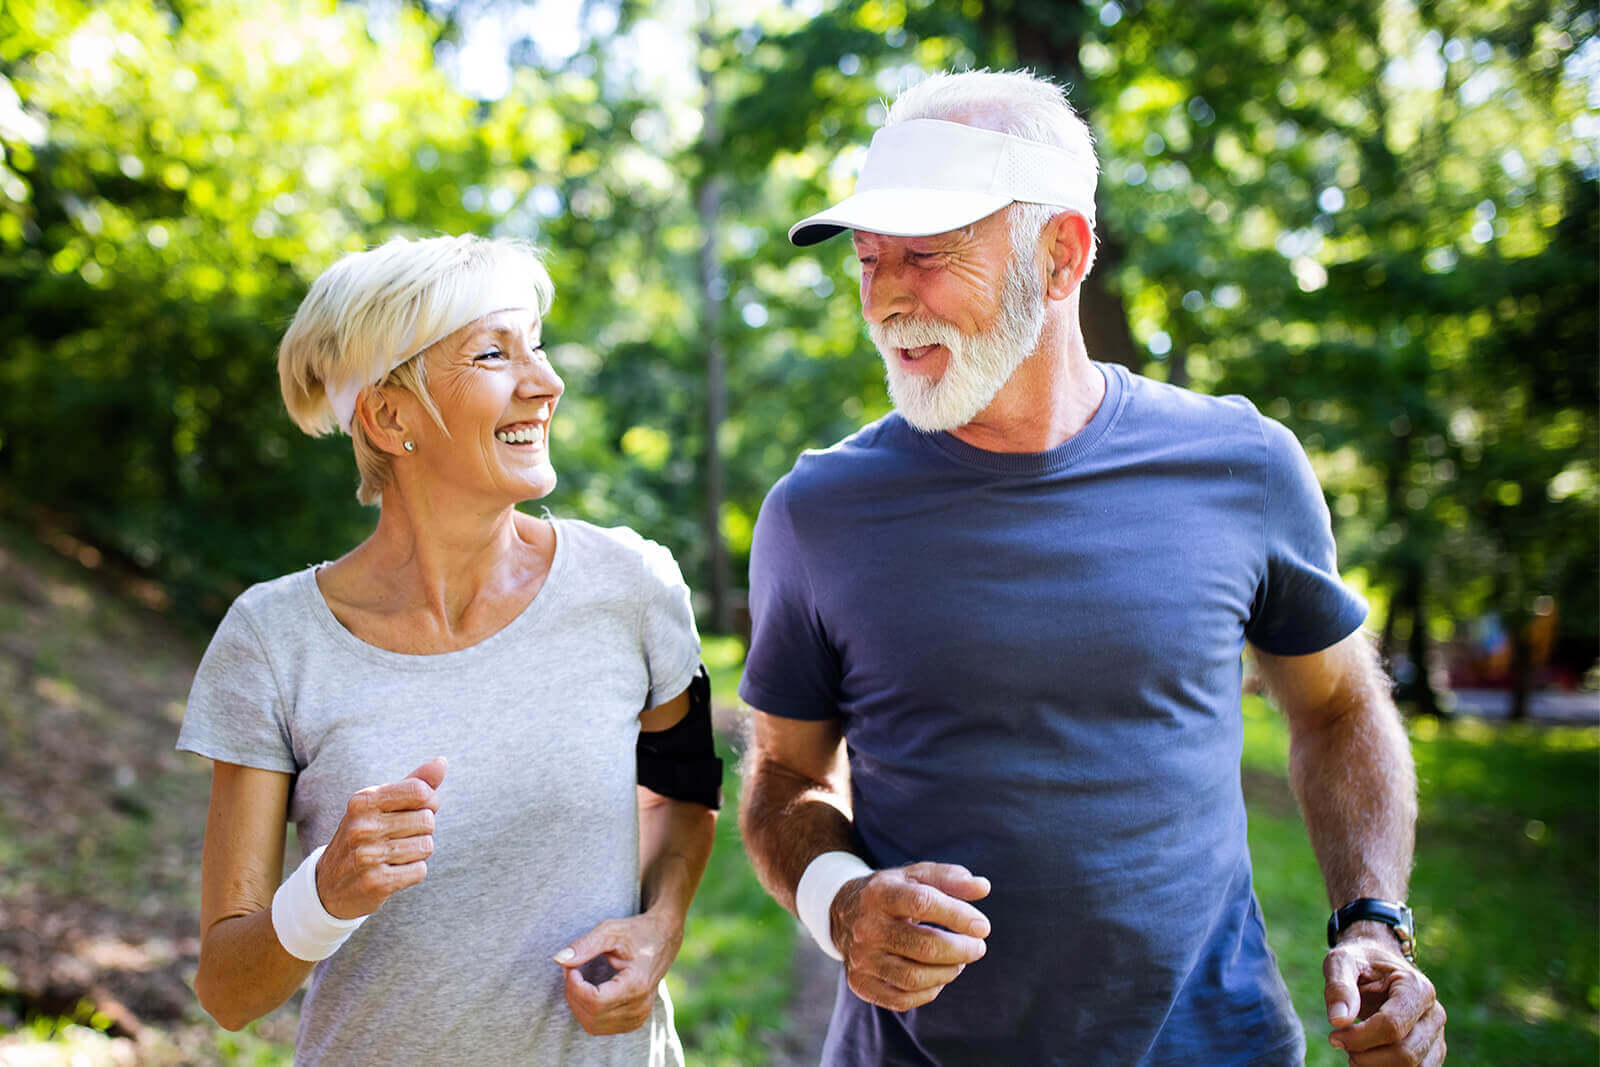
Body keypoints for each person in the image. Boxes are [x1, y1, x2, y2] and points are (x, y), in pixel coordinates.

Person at [737, 70, 1446, 1066]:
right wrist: (837, 898)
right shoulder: (817, 511)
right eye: (867, 258)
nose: (888, 295)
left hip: (1214, 1045)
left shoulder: (1242, 466)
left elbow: (1336, 709)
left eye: (927, 255)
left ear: (1061, 254)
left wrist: (1372, 921)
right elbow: (781, 773)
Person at [178, 234, 722, 1065]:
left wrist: (660, 926)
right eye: (494, 354)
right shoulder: (273, 639)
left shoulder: (634, 585)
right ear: (390, 416)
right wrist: (323, 895)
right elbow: (227, 988)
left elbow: (685, 788)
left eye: (536, 348)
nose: (546, 384)